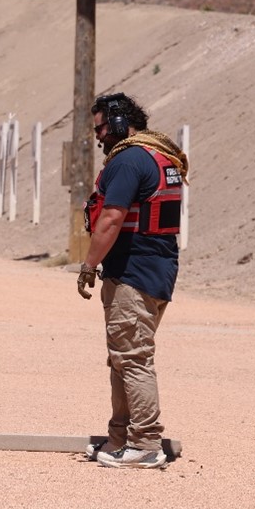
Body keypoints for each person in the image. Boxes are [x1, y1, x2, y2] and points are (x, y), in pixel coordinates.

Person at [79, 92, 188, 470]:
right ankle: (119, 439)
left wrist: (89, 265)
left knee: (133, 358)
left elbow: (111, 218)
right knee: (123, 358)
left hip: (134, 272)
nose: (99, 137)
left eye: (102, 127)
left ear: (120, 122)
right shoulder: (161, 155)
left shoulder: (128, 160)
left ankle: (144, 443)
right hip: (153, 269)